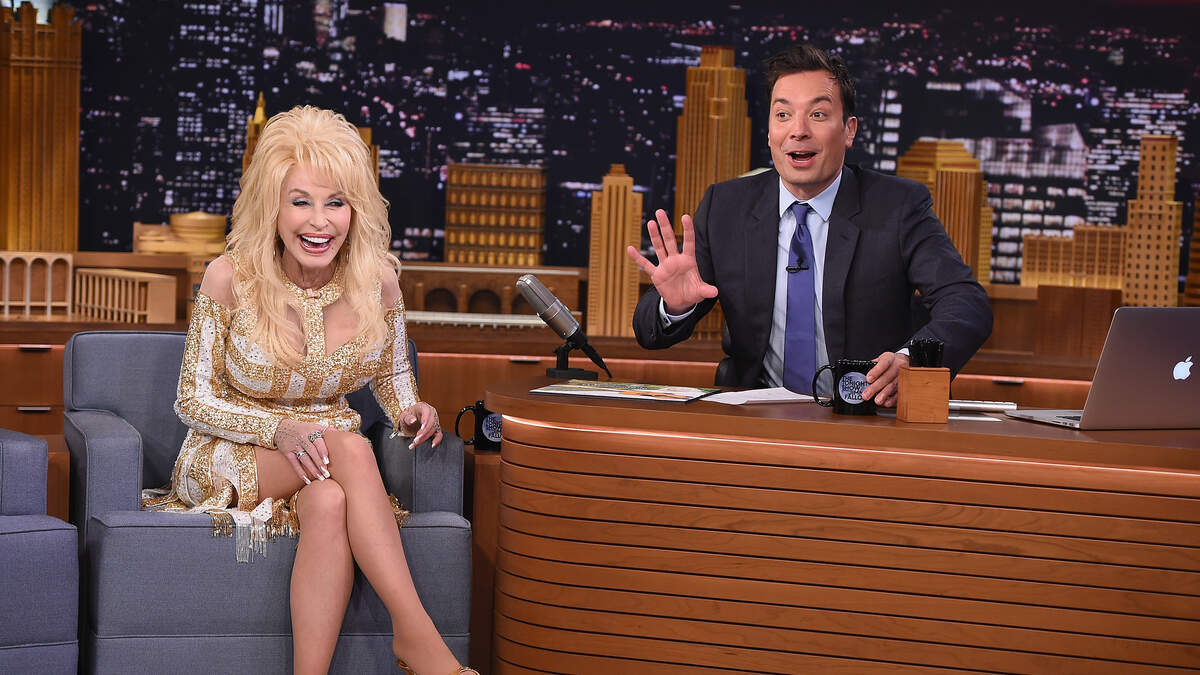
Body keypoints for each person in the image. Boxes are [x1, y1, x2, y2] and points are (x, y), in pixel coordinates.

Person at [141, 106, 476, 675]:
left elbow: (393, 376)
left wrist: (412, 410)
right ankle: (417, 638)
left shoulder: (379, 281)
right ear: (272, 206)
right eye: (300, 202)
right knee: (350, 449)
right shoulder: (230, 277)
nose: (319, 222)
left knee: (329, 502)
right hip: (231, 452)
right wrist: (279, 429)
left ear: (356, 209)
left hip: (327, 462)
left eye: (335, 203)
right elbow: (192, 400)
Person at [628, 44, 992, 405]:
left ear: (849, 130)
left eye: (817, 115)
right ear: (769, 131)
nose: (798, 130)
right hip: (754, 416)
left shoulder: (897, 206)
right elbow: (649, 333)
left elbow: (966, 304)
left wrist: (911, 360)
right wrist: (674, 307)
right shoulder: (725, 207)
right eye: (783, 115)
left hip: (866, 416)